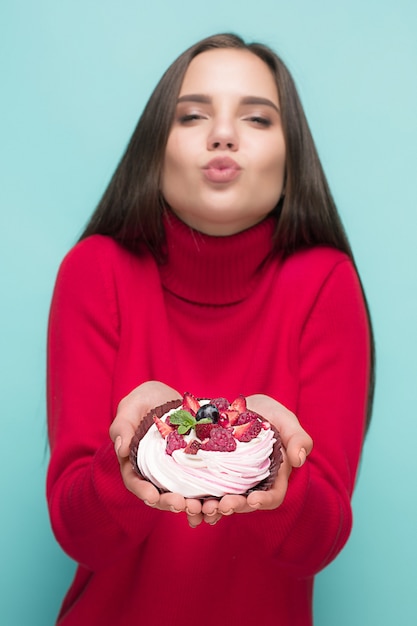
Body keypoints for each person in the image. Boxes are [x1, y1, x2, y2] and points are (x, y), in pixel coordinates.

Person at [46, 33, 374, 626]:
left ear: (291, 155)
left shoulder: (326, 282)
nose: (222, 134)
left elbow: (319, 544)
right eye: (193, 115)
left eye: (256, 118)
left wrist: (282, 478)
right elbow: (78, 534)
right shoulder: (94, 271)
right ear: (155, 148)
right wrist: (122, 472)